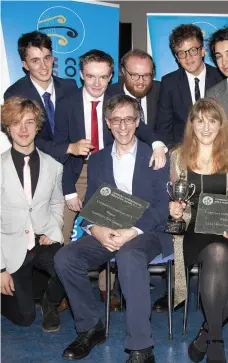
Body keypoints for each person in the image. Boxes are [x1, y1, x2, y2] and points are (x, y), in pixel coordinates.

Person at [54, 95, 172, 363]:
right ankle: (90, 328)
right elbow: (93, 205)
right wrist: (96, 228)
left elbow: (162, 205)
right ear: (108, 123)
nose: (122, 126)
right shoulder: (96, 160)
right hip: (108, 230)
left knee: (130, 255)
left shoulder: (155, 156)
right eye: (116, 120)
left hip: (147, 231)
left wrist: (133, 231)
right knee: (66, 257)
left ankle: (141, 347)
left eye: (129, 119)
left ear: (138, 121)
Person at [54, 49, 167, 309]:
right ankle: (61, 293)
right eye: (91, 76)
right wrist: (68, 182)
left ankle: (107, 290)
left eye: (103, 77)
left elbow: (140, 125)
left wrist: (159, 144)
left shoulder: (118, 99)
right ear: (81, 75)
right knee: (68, 234)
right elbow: (57, 143)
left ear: (111, 77)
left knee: (115, 220)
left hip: (114, 166)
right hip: (78, 169)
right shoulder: (67, 102)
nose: (97, 83)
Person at [170, 98, 228, 363]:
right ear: (191, 124)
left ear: (221, 125)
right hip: (195, 225)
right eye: (200, 121)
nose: (206, 127)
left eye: (212, 121)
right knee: (217, 252)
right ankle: (216, 339)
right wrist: (174, 208)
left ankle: (207, 332)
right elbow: (174, 196)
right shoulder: (177, 156)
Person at [1, 97, 65, 332]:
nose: (23, 129)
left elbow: (57, 203)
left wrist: (54, 230)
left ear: (38, 126)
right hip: (9, 248)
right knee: (24, 318)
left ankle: (49, 303)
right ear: (8, 128)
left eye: (29, 122)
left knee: (68, 263)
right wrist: (0, 270)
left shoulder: (53, 165)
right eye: (16, 122)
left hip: (42, 241)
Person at [3, 31, 77, 157]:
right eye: (35, 61)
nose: (44, 66)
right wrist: (66, 148)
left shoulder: (69, 87)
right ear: (25, 65)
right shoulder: (15, 94)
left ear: (53, 58)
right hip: (37, 164)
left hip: (72, 164)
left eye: (47, 58)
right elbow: (22, 136)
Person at [155, 24, 223, 146]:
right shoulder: (169, 83)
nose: (188, 57)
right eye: (181, 53)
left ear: (202, 51)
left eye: (193, 50)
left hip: (217, 149)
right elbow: (164, 128)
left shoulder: (220, 78)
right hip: (182, 150)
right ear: (177, 58)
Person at [108, 49, 160, 130]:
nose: (141, 81)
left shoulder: (163, 91)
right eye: (135, 75)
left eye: (146, 75)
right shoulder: (108, 95)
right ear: (123, 71)